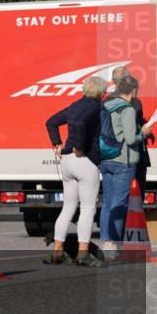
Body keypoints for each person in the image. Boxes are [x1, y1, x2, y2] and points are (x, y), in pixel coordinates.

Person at [43, 76, 106, 266]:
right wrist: (80, 146)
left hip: (67, 161)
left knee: (68, 207)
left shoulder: (75, 105)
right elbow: (80, 125)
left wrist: (57, 143)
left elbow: (51, 122)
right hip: (85, 160)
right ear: (101, 93)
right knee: (87, 208)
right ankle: (83, 254)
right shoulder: (96, 107)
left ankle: (57, 252)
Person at [99, 76, 154, 258]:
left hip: (106, 158)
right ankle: (115, 244)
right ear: (134, 90)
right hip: (123, 161)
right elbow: (131, 139)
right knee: (120, 203)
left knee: (108, 202)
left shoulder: (107, 105)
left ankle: (107, 242)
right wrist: (143, 133)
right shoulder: (128, 109)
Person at [108, 66, 153, 199]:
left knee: (113, 197)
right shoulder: (133, 102)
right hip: (130, 154)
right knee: (133, 195)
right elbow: (133, 131)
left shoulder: (106, 101)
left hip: (111, 155)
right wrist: (144, 132)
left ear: (113, 81)